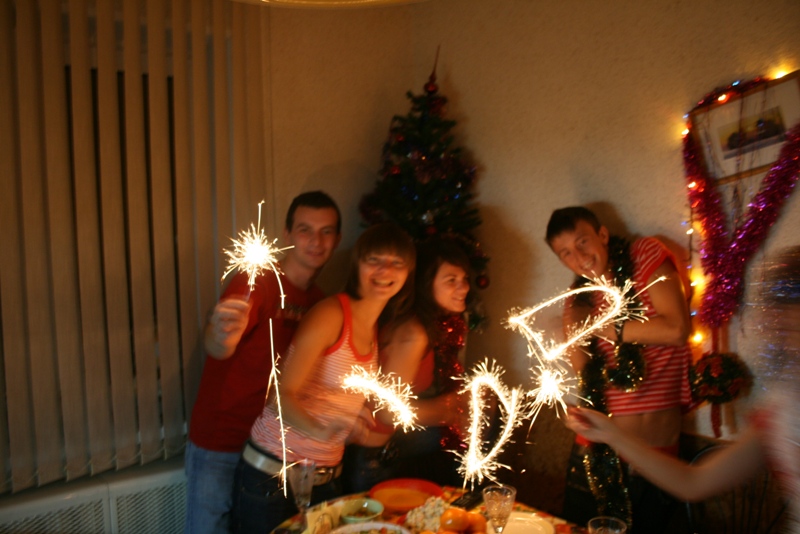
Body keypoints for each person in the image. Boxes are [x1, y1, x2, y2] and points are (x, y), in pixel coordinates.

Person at [565, 245, 800, 533]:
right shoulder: (782, 409)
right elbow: (694, 483)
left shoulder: (649, 256)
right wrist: (609, 433)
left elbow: (677, 330)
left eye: (792, 327)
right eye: (781, 326)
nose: (784, 338)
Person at [230, 222, 416, 534]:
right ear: (357, 265)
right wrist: (322, 429)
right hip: (273, 476)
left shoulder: (373, 328)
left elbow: (332, 397)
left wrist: (354, 422)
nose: (385, 270)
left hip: (326, 478)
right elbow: (280, 397)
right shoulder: (331, 314)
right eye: (374, 259)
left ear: (407, 272)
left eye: (396, 262)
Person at [184, 191, 341, 534]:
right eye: (305, 229)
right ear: (287, 234)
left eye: (326, 231)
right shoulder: (256, 281)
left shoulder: (320, 304)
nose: (315, 241)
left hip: (267, 453)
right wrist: (220, 335)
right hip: (222, 442)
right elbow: (218, 345)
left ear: (337, 239)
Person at [545, 206, 693, 532]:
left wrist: (603, 327)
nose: (579, 257)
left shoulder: (643, 254)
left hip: (655, 457)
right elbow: (586, 373)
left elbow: (676, 329)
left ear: (602, 235)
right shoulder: (578, 299)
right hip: (594, 455)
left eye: (582, 242)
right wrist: (569, 340)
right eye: (566, 253)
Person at [342, 237, 472, 492]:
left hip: (388, 448)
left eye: (464, 279)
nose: (464, 288)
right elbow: (387, 412)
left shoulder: (425, 326)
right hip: (371, 459)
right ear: (426, 283)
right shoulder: (413, 333)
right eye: (451, 280)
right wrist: (451, 410)